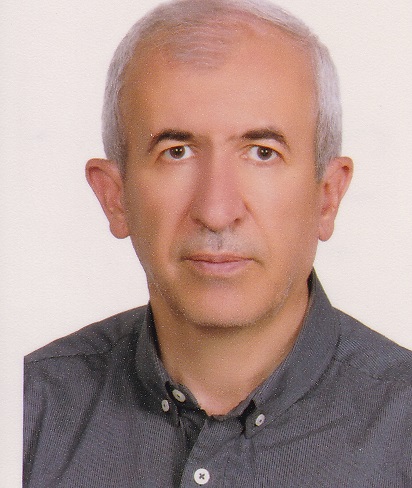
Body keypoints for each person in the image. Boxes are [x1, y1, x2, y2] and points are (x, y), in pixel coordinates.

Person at [23, 0, 412, 486]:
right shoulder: (27, 413)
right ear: (115, 197)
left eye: (262, 152)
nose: (216, 210)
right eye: (177, 152)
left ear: (327, 197)